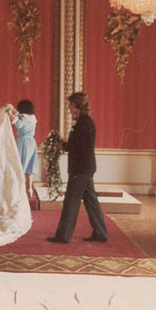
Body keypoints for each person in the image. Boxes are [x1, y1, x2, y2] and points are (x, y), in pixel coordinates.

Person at [47, 92, 108, 244]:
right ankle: (101, 233)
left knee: (71, 202)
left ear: (77, 106)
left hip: (80, 169)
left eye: (70, 105)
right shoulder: (84, 122)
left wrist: (64, 145)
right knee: (91, 202)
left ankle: (63, 236)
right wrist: (66, 144)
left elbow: (78, 146)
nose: (69, 108)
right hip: (85, 168)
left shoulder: (83, 123)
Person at [7, 99, 39, 198]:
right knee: (30, 165)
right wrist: (13, 110)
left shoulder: (23, 117)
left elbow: (18, 123)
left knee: (20, 164)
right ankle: (29, 187)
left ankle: (19, 188)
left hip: (23, 142)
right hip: (32, 142)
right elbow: (18, 116)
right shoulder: (32, 117)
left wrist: (9, 113)